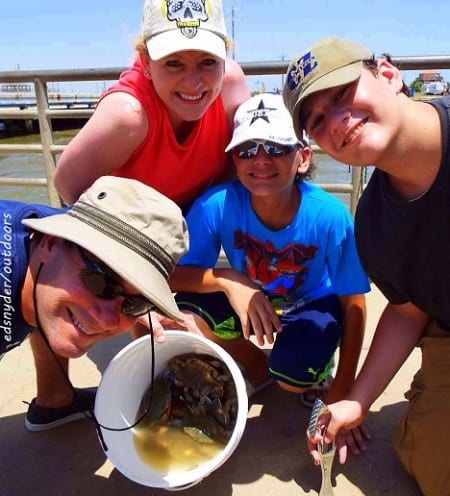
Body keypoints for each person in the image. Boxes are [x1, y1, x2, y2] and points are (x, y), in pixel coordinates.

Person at [283, 36, 450, 495]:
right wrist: (357, 400)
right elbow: (407, 307)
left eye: (342, 93)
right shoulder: (374, 226)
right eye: (316, 121)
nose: (336, 119)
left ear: (389, 76)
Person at [169, 93, 370, 411]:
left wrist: (346, 389)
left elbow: (354, 302)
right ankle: (256, 368)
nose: (261, 160)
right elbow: (174, 278)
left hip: (312, 302)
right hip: (249, 299)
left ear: (302, 157)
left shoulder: (330, 215)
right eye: (247, 150)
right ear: (234, 159)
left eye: (276, 148)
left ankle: (316, 368)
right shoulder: (216, 204)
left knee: (291, 378)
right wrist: (228, 279)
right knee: (184, 317)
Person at [0, 175, 188, 432]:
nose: (108, 320)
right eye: (100, 283)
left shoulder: (51, 241)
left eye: (134, 302)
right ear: (51, 241)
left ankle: (55, 399)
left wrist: (136, 307)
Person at [53, 0, 250, 209]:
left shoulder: (231, 86)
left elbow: (236, 170)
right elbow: (67, 185)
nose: (193, 83)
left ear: (224, 58)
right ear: (146, 62)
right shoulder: (127, 116)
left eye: (208, 61)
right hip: (134, 230)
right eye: (173, 63)